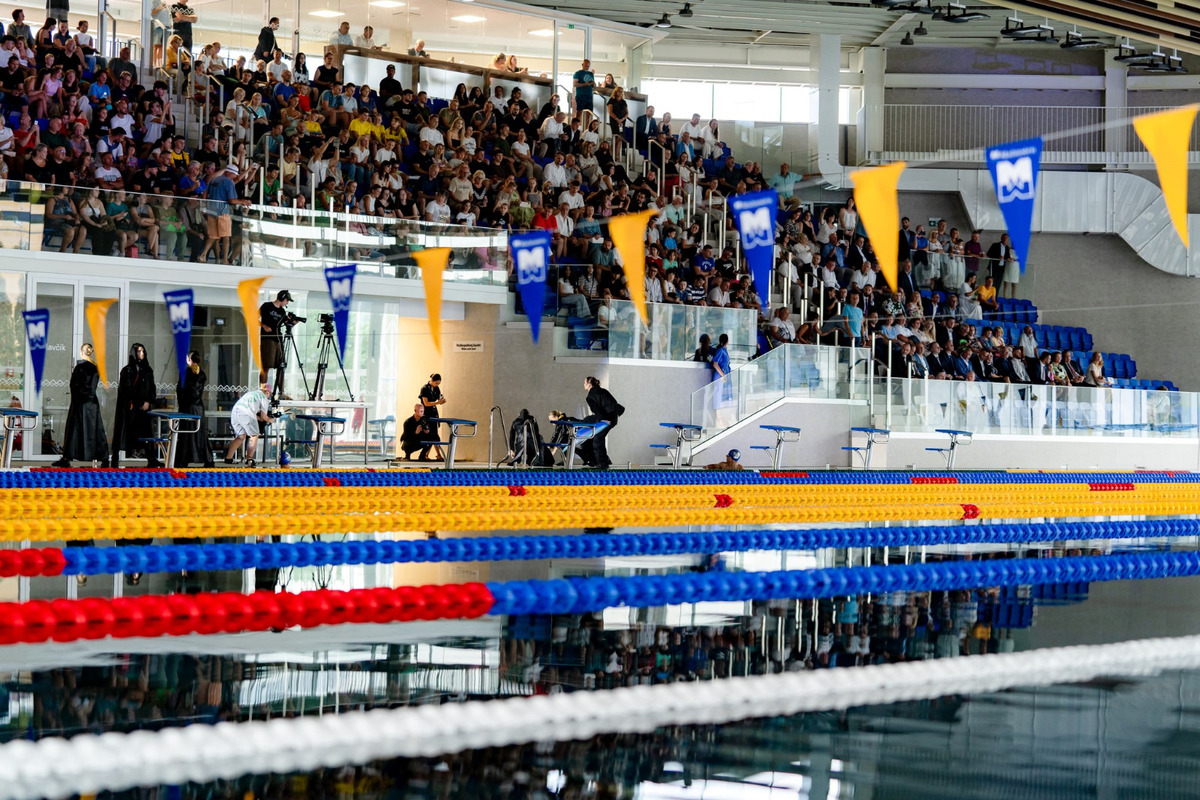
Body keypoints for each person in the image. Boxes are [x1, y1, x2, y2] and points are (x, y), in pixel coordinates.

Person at [53, 343, 108, 468]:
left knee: (74, 430)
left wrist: (78, 396)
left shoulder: (81, 368)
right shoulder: (95, 368)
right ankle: (103, 458)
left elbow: (74, 385)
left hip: (80, 402)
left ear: (82, 352)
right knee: (95, 430)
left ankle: (67, 457)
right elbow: (91, 387)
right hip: (90, 402)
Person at [111, 342, 160, 468]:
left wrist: (148, 401)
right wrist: (139, 402)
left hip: (144, 409)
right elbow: (127, 389)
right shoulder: (127, 370)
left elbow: (152, 388)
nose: (141, 354)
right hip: (129, 409)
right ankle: (115, 460)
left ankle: (151, 458)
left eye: (143, 351)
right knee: (122, 432)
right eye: (138, 351)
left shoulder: (148, 370)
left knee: (147, 432)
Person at [175, 350, 215, 468]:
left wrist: (181, 404)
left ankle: (183, 459)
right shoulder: (201, 373)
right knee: (200, 433)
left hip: (187, 407)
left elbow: (181, 391)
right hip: (198, 407)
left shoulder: (185, 373)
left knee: (186, 434)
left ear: (189, 360)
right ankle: (207, 458)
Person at [579, 375, 623, 469]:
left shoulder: (590, 396)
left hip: (606, 418)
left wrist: (604, 420)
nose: (583, 385)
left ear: (589, 384)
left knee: (597, 440)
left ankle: (603, 464)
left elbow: (596, 409)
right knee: (589, 422)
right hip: (613, 417)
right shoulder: (603, 391)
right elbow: (614, 403)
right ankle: (604, 461)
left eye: (584, 383)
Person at [224, 383, 274, 466]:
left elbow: (250, 412)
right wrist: (271, 420)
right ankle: (249, 459)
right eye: (270, 394)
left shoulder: (250, 394)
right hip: (246, 414)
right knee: (254, 435)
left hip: (235, 413)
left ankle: (228, 458)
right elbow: (263, 416)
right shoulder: (263, 397)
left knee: (241, 436)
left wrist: (260, 418)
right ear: (267, 392)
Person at [259, 289, 291, 388]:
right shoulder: (266, 306)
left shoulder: (282, 311)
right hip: (267, 339)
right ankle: (263, 391)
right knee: (266, 366)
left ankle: (281, 392)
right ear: (282, 298)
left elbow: (286, 323)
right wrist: (264, 326)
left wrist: (292, 322)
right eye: (287, 300)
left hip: (278, 340)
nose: (287, 302)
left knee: (281, 366)